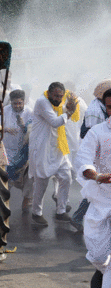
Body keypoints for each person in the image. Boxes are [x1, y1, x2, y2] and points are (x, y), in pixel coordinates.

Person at [74, 88, 111, 287]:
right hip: (101, 201)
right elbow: (83, 161)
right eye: (110, 107)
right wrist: (97, 176)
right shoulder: (98, 132)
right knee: (98, 256)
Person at [29, 82, 78, 226]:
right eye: (56, 95)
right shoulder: (42, 102)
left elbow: (62, 113)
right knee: (41, 183)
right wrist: (68, 112)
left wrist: (68, 109)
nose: (58, 98)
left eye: (60, 96)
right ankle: (36, 213)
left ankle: (61, 211)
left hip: (57, 148)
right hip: (42, 150)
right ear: (49, 93)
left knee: (66, 177)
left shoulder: (58, 104)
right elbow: (55, 121)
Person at [71, 79, 111, 232]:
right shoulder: (95, 110)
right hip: (97, 154)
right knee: (97, 189)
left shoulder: (100, 106)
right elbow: (95, 133)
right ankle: (78, 217)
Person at [0, 90, 34, 212]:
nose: (17, 106)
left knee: (29, 178)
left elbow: (33, 131)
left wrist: (23, 126)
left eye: (19, 103)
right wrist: (5, 129)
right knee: (6, 178)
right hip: (6, 149)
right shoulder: (5, 110)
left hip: (23, 152)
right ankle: (2, 203)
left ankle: (27, 200)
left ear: (24, 102)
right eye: (15, 103)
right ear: (11, 102)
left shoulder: (30, 112)